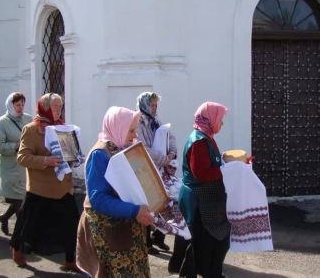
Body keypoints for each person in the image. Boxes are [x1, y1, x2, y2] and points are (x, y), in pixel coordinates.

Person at [76, 106, 154, 278]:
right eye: (131, 130)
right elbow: (99, 198)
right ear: (118, 128)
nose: (135, 135)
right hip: (108, 231)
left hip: (127, 229)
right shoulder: (100, 155)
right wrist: (134, 210)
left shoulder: (122, 148)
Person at [9, 93, 81, 271]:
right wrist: (45, 161)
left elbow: (69, 154)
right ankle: (17, 249)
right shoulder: (32, 129)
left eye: (60, 107)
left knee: (71, 223)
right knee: (27, 222)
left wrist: (75, 158)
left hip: (63, 186)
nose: (58, 110)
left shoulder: (63, 128)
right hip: (40, 187)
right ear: (45, 107)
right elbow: (22, 157)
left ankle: (71, 260)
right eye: (54, 107)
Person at [177, 102, 231, 278]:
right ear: (210, 119)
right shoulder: (199, 142)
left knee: (216, 242)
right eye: (220, 119)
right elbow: (201, 173)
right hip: (199, 203)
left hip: (209, 201)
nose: (222, 123)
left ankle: (212, 273)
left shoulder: (207, 137)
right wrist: (228, 170)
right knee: (206, 245)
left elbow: (211, 163)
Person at [136, 92, 175, 255]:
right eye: (151, 105)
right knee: (149, 203)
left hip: (161, 166)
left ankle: (158, 236)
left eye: (155, 105)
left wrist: (172, 153)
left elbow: (169, 136)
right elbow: (143, 147)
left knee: (168, 201)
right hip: (146, 168)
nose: (154, 108)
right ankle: (146, 242)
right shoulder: (138, 121)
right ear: (144, 104)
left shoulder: (156, 119)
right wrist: (163, 159)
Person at [0, 92, 32, 235]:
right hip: (11, 167)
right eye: (17, 105)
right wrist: (17, 146)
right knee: (20, 199)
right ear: (11, 105)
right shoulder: (1, 123)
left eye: (22, 104)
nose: (20, 108)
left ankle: (6, 219)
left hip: (26, 165)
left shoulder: (27, 119)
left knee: (24, 198)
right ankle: (19, 232)